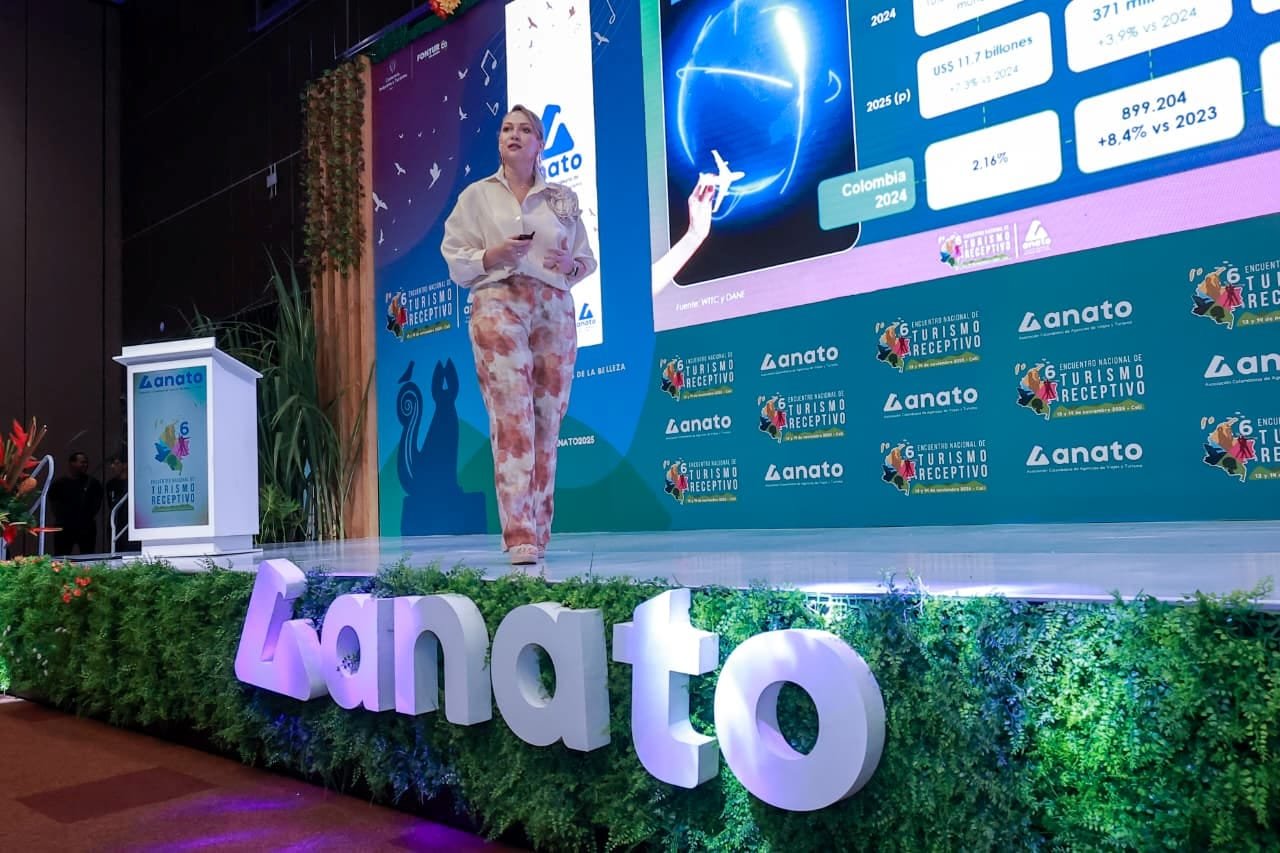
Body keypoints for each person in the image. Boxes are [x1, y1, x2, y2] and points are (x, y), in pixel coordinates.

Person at [441, 105, 597, 567]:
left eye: (525, 129)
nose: (514, 134)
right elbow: (455, 257)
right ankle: (519, 534)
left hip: (554, 306)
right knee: (512, 418)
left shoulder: (562, 199)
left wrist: (570, 266)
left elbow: (585, 260)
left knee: (547, 422)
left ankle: (540, 530)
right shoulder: (476, 196)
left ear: (540, 143)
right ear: (499, 141)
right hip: (497, 300)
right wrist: (492, 255)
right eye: (507, 128)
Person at [48, 451, 104, 555]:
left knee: (88, 556)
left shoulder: (93, 483)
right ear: (72, 463)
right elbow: (54, 504)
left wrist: (86, 516)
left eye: (86, 462)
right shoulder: (59, 484)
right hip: (64, 527)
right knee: (61, 556)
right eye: (82, 462)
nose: (85, 465)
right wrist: (64, 517)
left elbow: (97, 503)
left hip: (86, 527)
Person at [103, 452, 139, 552]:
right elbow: (111, 504)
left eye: (116, 463)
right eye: (111, 464)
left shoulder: (133, 482)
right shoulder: (110, 484)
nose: (112, 467)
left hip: (129, 524)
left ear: (125, 465)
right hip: (116, 523)